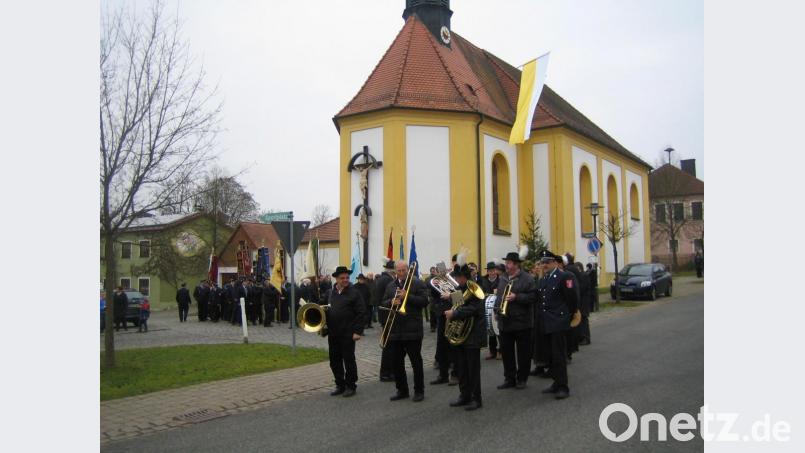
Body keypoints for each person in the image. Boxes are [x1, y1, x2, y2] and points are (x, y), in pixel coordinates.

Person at [382, 260, 430, 402]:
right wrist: (391, 302)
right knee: (397, 362)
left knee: (416, 362)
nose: (401, 273)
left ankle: (419, 391)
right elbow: (383, 302)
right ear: (395, 271)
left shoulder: (417, 283)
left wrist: (407, 297)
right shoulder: (391, 285)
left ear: (408, 270)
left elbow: (424, 301)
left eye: (404, 270)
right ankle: (402, 390)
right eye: (399, 271)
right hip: (396, 329)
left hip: (413, 329)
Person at [536, 250, 579, 399]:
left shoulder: (564, 276)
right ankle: (556, 382)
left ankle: (563, 386)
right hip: (546, 322)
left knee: (559, 356)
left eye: (547, 262)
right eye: (543, 262)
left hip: (558, 322)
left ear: (555, 262)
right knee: (550, 355)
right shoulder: (544, 278)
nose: (545, 265)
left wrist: (568, 316)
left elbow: (572, 298)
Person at [444, 263, 487, 411]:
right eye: (456, 277)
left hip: (473, 334)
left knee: (473, 368)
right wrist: (451, 305)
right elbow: (457, 305)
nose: (457, 279)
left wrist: (454, 314)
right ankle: (464, 395)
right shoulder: (458, 289)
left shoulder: (474, 288)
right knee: (461, 367)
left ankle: (476, 398)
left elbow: (474, 309)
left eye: (459, 277)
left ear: (464, 276)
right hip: (460, 334)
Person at [495, 249, 537, 390]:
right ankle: (509, 378)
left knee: (523, 353)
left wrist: (517, 297)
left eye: (509, 263)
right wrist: (496, 309)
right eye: (506, 262)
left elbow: (533, 298)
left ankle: (522, 378)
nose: (506, 265)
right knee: (507, 353)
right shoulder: (503, 278)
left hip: (522, 323)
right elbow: (499, 296)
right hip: (505, 322)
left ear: (517, 265)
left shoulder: (527, 279)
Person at [322, 266, 366, 398]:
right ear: (336, 279)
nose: (345, 280)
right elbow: (323, 308)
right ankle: (340, 385)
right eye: (342, 278)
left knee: (349, 360)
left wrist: (358, 331)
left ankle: (351, 385)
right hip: (333, 333)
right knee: (334, 361)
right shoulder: (330, 293)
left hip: (348, 333)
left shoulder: (354, 292)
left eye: (347, 277)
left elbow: (361, 312)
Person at [372, 259, 396, 381]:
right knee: (388, 345)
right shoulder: (388, 280)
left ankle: (388, 371)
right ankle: (386, 373)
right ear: (392, 270)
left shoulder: (382, 279)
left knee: (388, 344)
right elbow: (390, 297)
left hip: (383, 314)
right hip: (387, 314)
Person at [480, 261, 501, 360]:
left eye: (493, 270)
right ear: (487, 271)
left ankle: (500, 351)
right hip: (486, 307)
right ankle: (492, 351)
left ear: (496, 271)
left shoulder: (501, 280)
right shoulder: (483, 280)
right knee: (490, 329)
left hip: (497, 307)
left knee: (498, 329)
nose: (492, 272)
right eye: (490, 271)